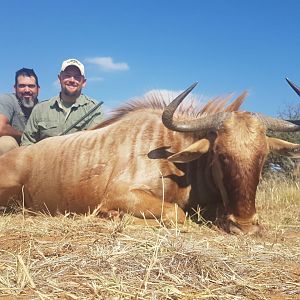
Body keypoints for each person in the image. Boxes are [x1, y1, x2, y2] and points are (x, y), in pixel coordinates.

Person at [21, 58, 103, 146]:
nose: (72, 80)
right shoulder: (40, 109)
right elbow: (26, 144)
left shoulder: (94, 109)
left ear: (83, 82)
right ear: (59, 78)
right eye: (67, 75)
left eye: (77, 77)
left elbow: (97, 145)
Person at [0, 68, 40, 154]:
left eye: (31, 86)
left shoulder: (43, 107)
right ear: (15, 88)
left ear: (38, 89)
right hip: (15, 150)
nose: (27, 90)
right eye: (22, 86)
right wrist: (26, 137)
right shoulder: (7, 100)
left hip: (37, 150)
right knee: (5, 143)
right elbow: (1, 128)